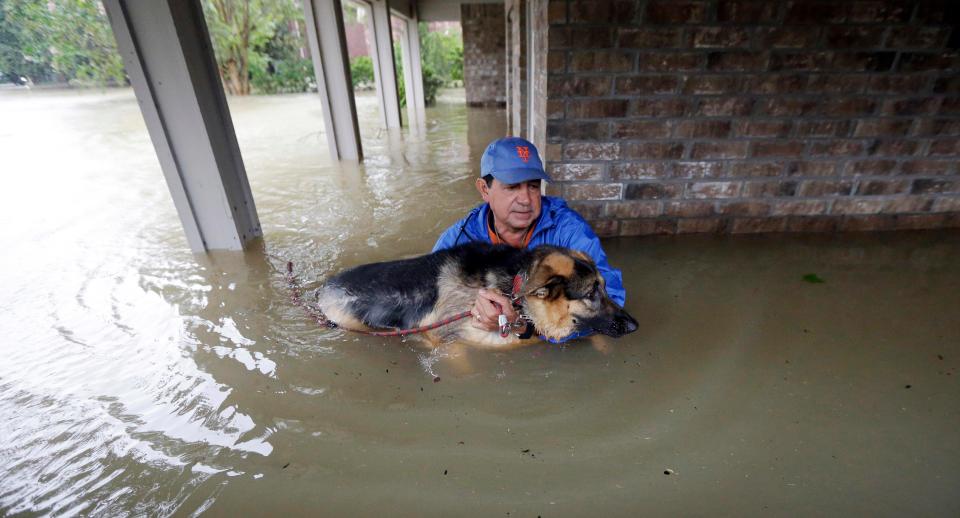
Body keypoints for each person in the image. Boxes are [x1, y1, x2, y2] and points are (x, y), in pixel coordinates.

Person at [433, 136, 626, 343]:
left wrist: (524, 327)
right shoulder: (458, 241)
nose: (526, 199)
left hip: (550, 341)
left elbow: (612, 297)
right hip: (491, 342)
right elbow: (427, 307)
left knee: (600, 343)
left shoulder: (567, 230)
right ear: (484, 189)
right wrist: (473, 310)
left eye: (533, 186)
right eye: (512, 187)